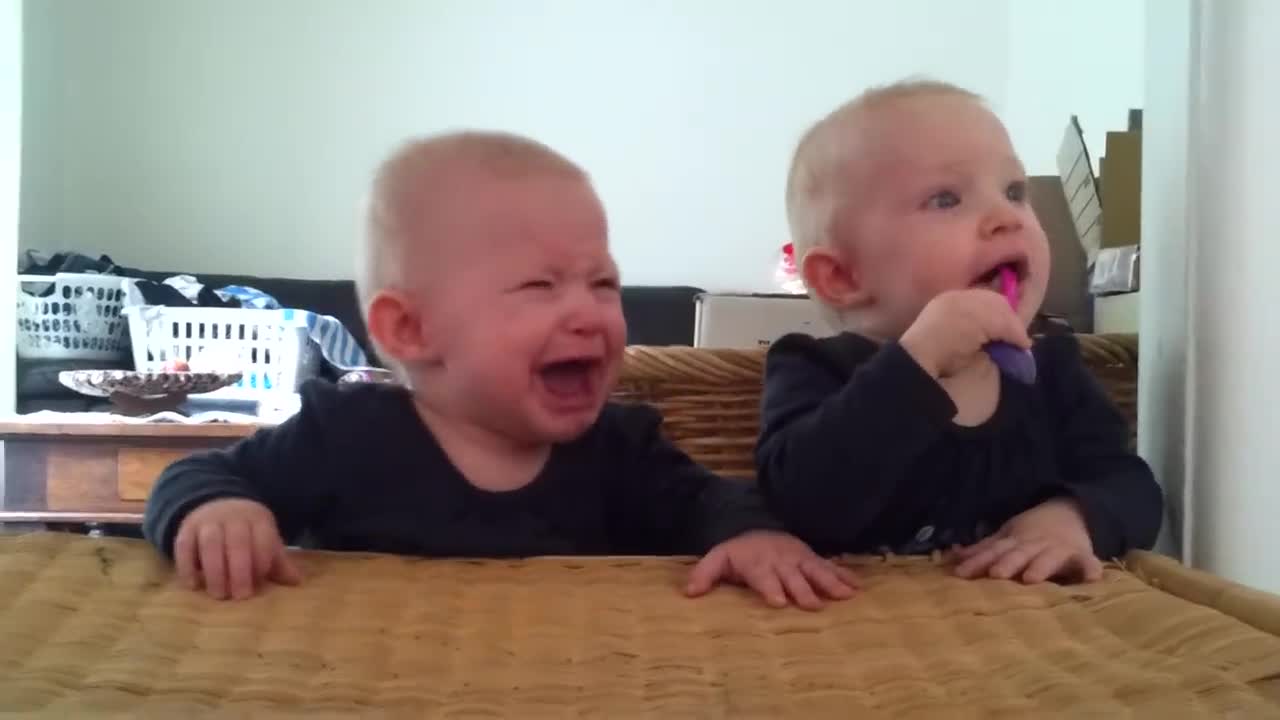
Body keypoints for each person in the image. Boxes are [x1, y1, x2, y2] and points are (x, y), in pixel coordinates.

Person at [144, 130, 858, 608]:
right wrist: (218, 511)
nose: (590, 313)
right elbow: (198, 475)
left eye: (603, 284)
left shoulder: (619, 449)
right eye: (540, 287)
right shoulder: (346, 434)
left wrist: (750, 537)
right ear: (412, 329)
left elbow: (709, 501)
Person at [756, 80, 1163, 584]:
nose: (1004, 218)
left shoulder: (1052, 367)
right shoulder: (813, 367)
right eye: (946, 199)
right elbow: (801, 504)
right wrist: (918, 362)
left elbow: (1131, 485)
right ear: (844, 277)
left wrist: (1073, 516)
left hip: (1025, 633)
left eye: (1015, 191)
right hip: (857, 637)